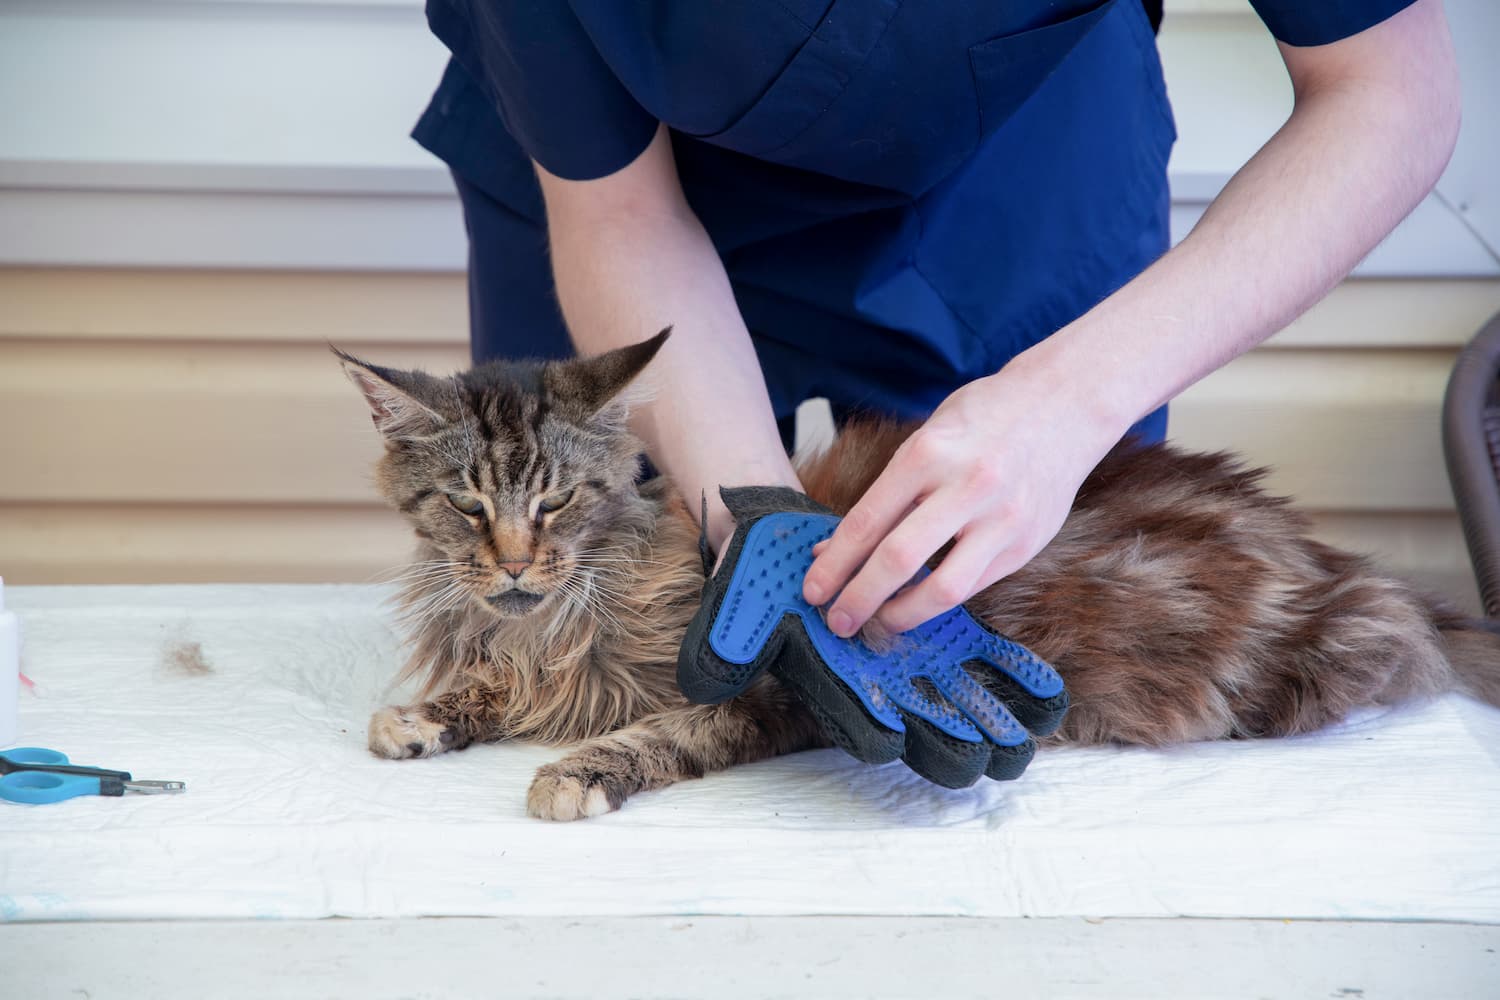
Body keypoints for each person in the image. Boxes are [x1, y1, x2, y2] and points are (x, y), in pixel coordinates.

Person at [411, 0, 1460, 639]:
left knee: (1031, 648)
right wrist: (757, 529)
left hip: (1009, 172)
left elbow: (1389, 94)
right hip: (618, 188)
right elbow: (621, 215)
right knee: (589, 649)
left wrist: (1061, 405)